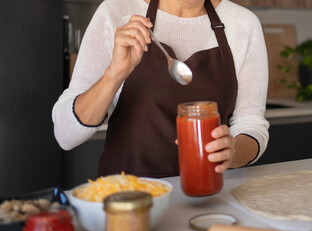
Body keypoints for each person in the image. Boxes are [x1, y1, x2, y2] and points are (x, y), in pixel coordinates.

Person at [52, 0, 269, 178]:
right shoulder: (117, 12)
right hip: (129, 202)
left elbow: (251, 124)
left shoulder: (244, 24)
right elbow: (66, 134)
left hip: (209, 199)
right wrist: (114, 74)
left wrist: (233, 151)